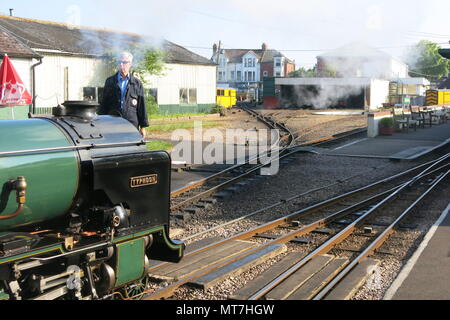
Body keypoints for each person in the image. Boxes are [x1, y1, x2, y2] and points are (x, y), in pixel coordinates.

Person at [98, 51, 148, 138]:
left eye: (124, 62)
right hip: (113, 124)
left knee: (132, 149)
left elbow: (141, 106)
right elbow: (104, 104)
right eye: (119, 62)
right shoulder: (110, 81)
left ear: (130, 64)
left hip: (131, 125)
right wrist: (101, 123)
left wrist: (143, 127)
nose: (121, 65)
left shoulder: (137, 83)